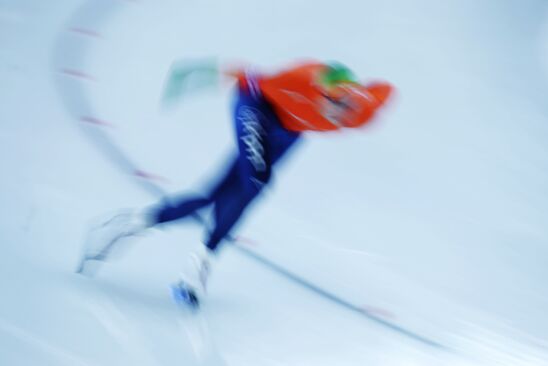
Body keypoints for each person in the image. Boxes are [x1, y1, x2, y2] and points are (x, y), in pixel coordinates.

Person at [80, 59, 394, 305]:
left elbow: (384, 90)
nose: (338, 112)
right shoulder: (298, 78)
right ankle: (201, 260)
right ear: (317, 89)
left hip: (290, 133)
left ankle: (131, 224)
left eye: (345, 105)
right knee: (256, 182)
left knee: (214, 196)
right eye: (332, 101)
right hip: (257, 108)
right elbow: (245, 76)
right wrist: (192, 74)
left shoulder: (362, 109)